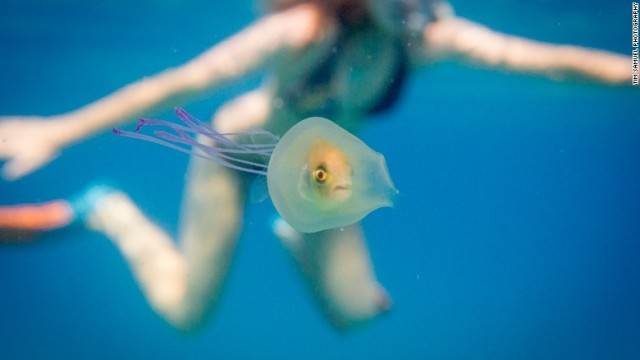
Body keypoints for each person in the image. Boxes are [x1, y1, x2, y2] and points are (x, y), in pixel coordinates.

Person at [0, 0, 632, 330]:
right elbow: (178, 83)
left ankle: (293, 233)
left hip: (319, 185)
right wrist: (63, 128)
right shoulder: (300, 29)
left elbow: (548, 60)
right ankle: (105, 211)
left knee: (356, 316)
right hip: (233, 159)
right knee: (186, 316)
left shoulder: (431, 37)